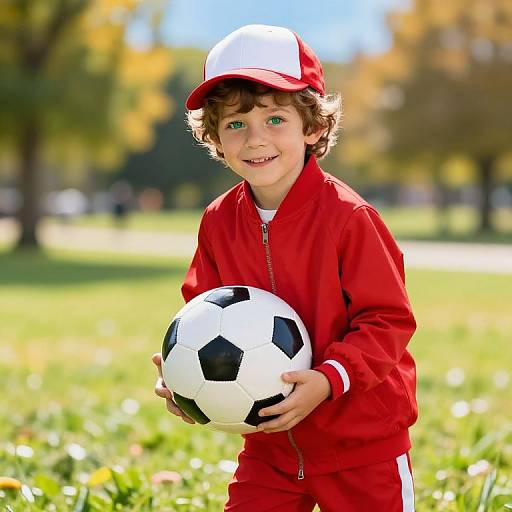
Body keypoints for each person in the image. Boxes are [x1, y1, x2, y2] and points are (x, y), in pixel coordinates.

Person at [152, 24, 417, 511]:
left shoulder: (349, 219)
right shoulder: (218, 221)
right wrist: (183, 375)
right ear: (214, 138)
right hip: (270, 446)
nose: (255, 139)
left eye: (275, 119)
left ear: (313, 126)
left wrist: (330, 378)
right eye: (235, 124)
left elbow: (388, 321)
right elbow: (205, 311)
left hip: (361, 446)